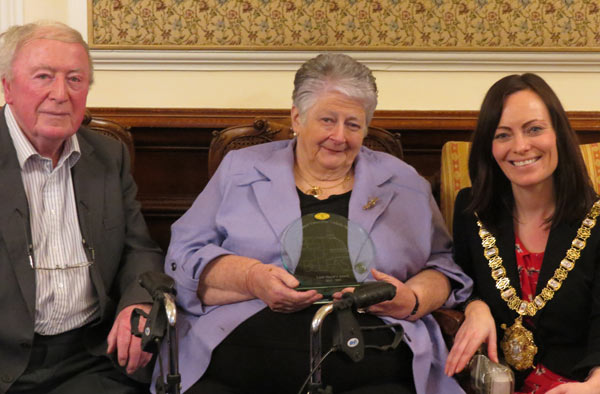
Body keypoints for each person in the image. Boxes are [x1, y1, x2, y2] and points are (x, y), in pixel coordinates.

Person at [165, 53, 472, 394]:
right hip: (242, 364)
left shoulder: (404, 183)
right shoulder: (240, 170)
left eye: (353, 124)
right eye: (327, 120)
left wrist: (412, 299)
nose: (339, 136)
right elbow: (183, 255)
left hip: (373, 366)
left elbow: (443, 266)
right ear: (297, 118)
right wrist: (251, 278)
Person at [0, 21, 163, 394]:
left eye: (75, 80)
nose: (61, 94)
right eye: (44, 76)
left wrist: (136, 304)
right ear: (8, 87)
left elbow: (138, 249)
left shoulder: (107, 156)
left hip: (88, 359)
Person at [445, 73, 600, 393]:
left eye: (534, 129)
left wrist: (595, 385)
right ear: (489, 146)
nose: (520, 146)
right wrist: (474, 306)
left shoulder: (597, 219)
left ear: (558, 134)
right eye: (503, 135)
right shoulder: (470, 211)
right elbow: (455, 281)